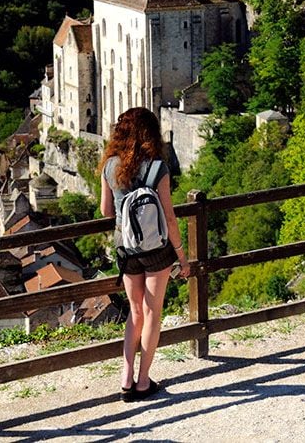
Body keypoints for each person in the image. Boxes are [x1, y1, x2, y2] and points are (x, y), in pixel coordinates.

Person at [99, 107, 190, 401]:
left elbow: (106, 211)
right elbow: (170, 216)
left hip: (126, 248)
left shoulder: (110, 166)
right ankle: (143, 381)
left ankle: (125, 379)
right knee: (153, 313)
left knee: (134, 312)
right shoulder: (157, 167)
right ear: (151, 134)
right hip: (157, 249)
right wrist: (181, 255)